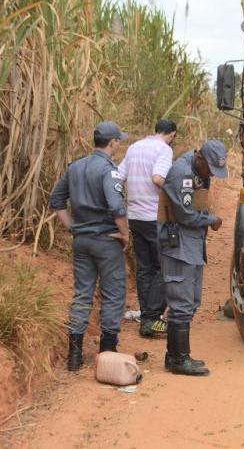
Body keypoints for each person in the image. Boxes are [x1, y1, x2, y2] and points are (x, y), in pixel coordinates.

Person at [49, 121, 131, 372]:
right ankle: (106, 353)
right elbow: (116, 206)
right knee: (113, 293)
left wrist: (72, 227)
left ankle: (74, 356)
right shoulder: (109, 170)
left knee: (82, 294)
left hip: (81, 240)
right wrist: (125, 234)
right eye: (119, 141)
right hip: (106, 240)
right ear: (113, 142)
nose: (119, 144)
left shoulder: (76, 166)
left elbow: (56, 199)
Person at [158, 139, 228, 376]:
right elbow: (186, 216)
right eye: (210, 168)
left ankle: (175, 355)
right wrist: (212, 220)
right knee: (181, 302)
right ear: (200, 158)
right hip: (179, 245)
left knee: (191, 300)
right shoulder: (182, 174)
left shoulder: (196, 169)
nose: (212, 174)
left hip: (192, 244)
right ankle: (179, 359)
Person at [118, 119, 177, 338]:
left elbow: (118, 175)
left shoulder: (134, 147)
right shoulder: (164, 150)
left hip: (134, 216)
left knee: (145, 268)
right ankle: (152, 318)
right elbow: (158, 177)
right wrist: (176, 192)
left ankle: (146, 316)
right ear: (171, 134)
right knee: (165, 266)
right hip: (154, 216)